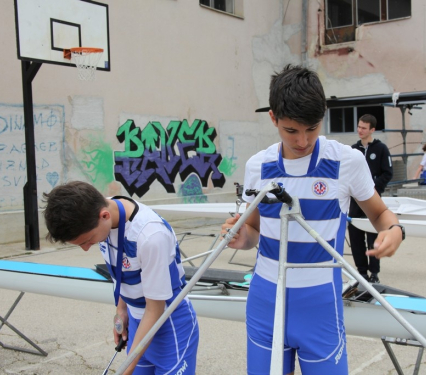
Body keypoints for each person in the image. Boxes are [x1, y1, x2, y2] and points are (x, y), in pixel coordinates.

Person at [221, 65, 404, 375]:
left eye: (313, 128)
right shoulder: (258, 166)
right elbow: (252, 229)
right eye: (291, 130)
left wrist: (394, 230)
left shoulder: (346, 161)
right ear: (273, 118)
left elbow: (380, 214)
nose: (303, 141)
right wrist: (241, 237)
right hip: (266, 299)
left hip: (319, 303)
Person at [43, 181, 199, 375]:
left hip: (169, 324)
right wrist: (121, 311)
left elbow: (156, 307)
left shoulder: (150, 235)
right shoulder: (100, 211)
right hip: (138, 321)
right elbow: (121, 271)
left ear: (104, 216)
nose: (85, 248)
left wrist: (126, 368)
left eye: (87, 240)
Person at [347, 114, 393, 284]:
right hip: (354, 203)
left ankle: (374, 273)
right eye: (359, 127)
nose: (360, 130)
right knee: (356, 238)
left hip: (372, 201)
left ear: (372, 130)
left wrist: (372, 190)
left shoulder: (381, 149)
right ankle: (361, 273)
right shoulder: (353, 150)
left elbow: (388, 173)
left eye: (364, 128)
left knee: (373, 237)